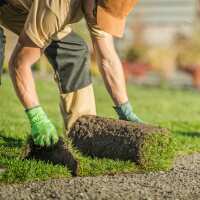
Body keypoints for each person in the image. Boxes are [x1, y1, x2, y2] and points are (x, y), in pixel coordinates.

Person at [0, 0, 142, 147]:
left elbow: (108, 60)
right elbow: (19, 63)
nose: (98, 21)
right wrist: (36, 117)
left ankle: (82, 137)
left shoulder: (96, 7)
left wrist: (125, 109)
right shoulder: (56, 8)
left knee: (73, 51)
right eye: (98, 14)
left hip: (22, 7)